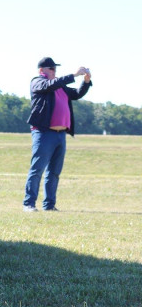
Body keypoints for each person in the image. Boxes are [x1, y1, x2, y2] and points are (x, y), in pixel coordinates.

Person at [23, 57, 92, 212]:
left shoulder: (60, 86)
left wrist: (86, 81)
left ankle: (49, 205)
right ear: (42, 70)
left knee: (54, 172)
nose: (55, 71)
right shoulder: (38, 82)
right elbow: (49, 85)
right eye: (52, 69)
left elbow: (77, 94)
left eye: (55, 69)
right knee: (37, 169)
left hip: (60, 134)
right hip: (44, 133)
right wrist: (73, 75)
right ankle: (29, 204)